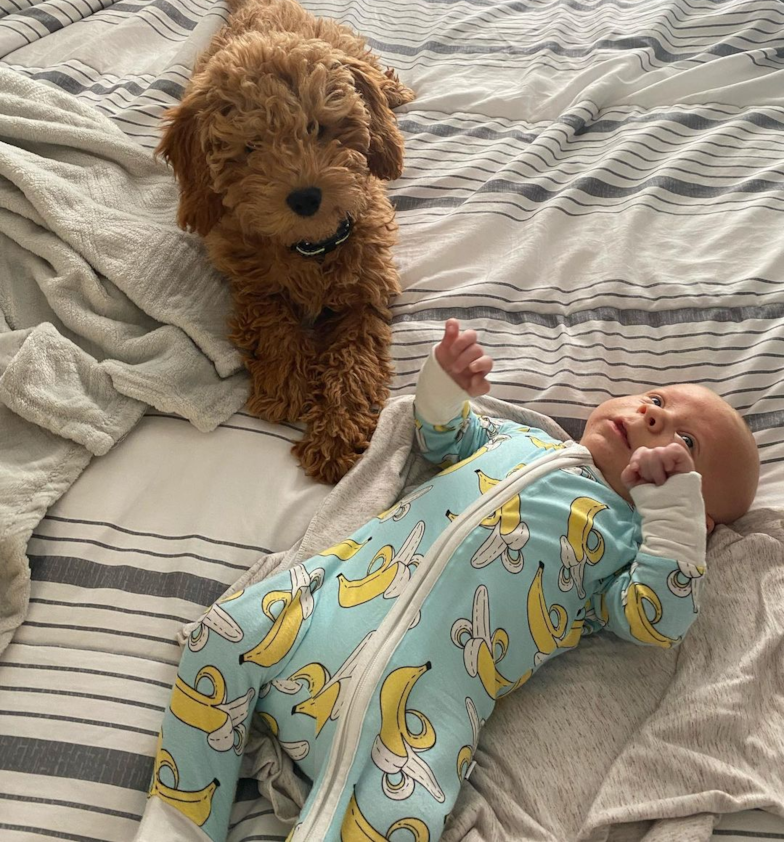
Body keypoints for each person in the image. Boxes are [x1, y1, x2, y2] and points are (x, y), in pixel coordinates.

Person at [136, 320, 759, 842]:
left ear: (695, 518)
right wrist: (444, 383)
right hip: (317, 613)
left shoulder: (630, 546)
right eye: (656, 398)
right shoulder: (521, 437)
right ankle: (177, 824)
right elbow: (441, 435)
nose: (652, 417)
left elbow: (659, 619)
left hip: (421, 715)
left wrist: (669, 519)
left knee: (403, 821)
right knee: (221, 634)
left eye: (685, 440)